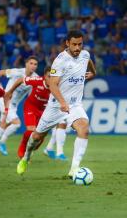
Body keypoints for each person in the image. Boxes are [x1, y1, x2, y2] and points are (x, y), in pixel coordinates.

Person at [17, 30, 96, 177]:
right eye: (74, 44)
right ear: (67, 43)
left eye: (80, 44)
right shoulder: (60, 60)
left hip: (74, 105)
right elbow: (53, 85)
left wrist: (93, 72)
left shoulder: (85, 54)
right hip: (55, 106)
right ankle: (26, 157)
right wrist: (62, 102)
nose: (77, 48)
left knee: (84, 129)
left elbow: (89, 62)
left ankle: (74, 170)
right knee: (36, 137)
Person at [0, 56, 38, 156]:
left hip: (13, 106)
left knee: (3, 127)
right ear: (26, 64)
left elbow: (32, 94)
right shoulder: (17, 72)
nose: (33, 66)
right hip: (4, 102)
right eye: (31, 63)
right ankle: (2, 142)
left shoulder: (35, 78)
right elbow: (1, 72)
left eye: (35, 64)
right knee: (16, 123)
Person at [5, 67, 51, 159]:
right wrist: (10, 91)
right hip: (31, 107)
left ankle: (31, 149)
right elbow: (21, 80)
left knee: (40, 136)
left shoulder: (58, 85)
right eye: (49, 76)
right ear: (45, 76)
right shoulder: (37, 80)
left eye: (53, 77)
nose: (51, 79)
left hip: (44, 111)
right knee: (31, 130)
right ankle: (22, 147)